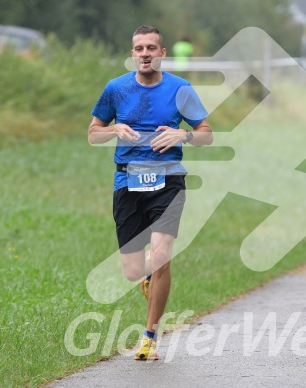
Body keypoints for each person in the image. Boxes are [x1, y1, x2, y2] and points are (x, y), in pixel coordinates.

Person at [87, 25, 213, 360]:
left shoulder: (180, 89)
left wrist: (181, 135)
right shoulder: (116, 89)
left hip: (168, 181)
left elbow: (207, 134)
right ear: (133, 54)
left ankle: (149, 337)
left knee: (161, 255)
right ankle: (146, 276)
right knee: (132, 270)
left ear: (162, 53)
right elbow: (92, 134)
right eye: (139, 48)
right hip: (127, 182)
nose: (145, 54)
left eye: (151, 48)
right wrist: (114, 128)